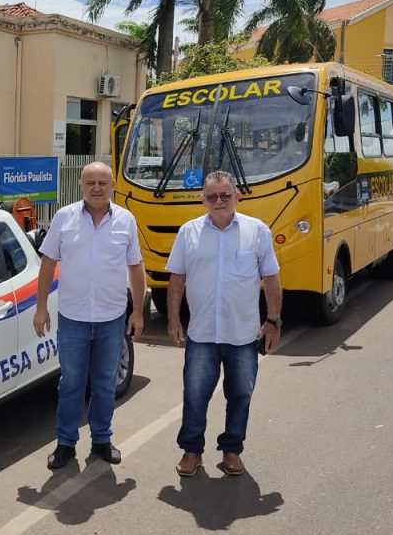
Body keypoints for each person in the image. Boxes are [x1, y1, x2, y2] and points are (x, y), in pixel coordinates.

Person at [166, 171, 282, 478]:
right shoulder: (188, 232)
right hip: (201, 334)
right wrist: (173, 318)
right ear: (202, 199)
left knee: (240, 395)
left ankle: (232, 450)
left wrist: (273, 320)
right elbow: (176, 279)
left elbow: (271, 278)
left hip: (243, 334)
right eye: (212, 196)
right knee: (194, 396)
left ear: (237, 196)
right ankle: (192, 451)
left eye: (225, 195)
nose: (219, 201)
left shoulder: (257, 231)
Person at [34, 161, 146, 469]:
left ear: (112, 186)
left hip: (112, 318)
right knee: (71, 382)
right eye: (91, 182)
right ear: (81, 185)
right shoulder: (64, 218)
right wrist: (41, 307)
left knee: (105, 382)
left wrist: (137, 312)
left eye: (103, 182)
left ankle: (101, 440)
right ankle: (66, 443)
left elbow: (135, 268)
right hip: (73, 319)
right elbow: (47, 264)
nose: (97, 188)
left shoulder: (126, 220)